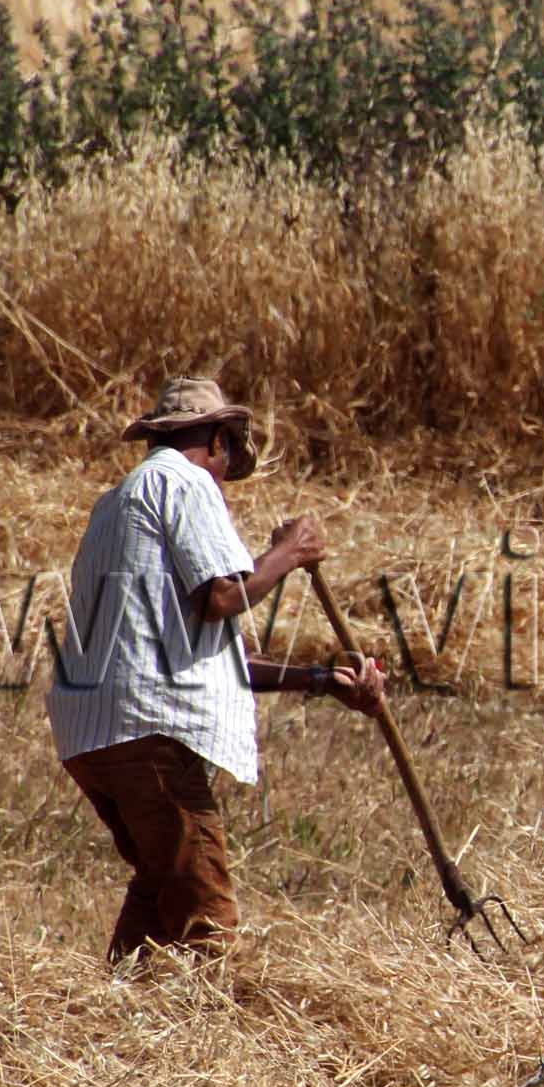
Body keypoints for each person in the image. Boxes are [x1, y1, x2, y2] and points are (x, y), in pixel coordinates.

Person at [47, 376, 385, 966]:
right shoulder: (185, 481)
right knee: (207, 920)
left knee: (160, 888)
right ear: (219, 440)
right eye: (229, 459)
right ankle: (204, 1034)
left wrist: (323, 680)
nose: (226, 477)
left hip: (92, 736)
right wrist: (292, 553)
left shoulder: (117, 503)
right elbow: (223, 600)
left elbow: (210, 654)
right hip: (148, 731)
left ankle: (115, 1014)